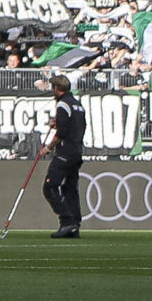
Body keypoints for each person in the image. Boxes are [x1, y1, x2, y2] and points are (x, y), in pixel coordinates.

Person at [44, 73, 85, 238]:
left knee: (50, 186)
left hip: (65, 152)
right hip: (77, 151)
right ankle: (75, 224)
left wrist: (48, 148)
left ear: (56, 88)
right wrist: (58, 123)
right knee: (70, 188)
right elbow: (75, 126)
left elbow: (62, 132)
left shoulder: (62, 105)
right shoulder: (77, 105)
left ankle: (67, 221)